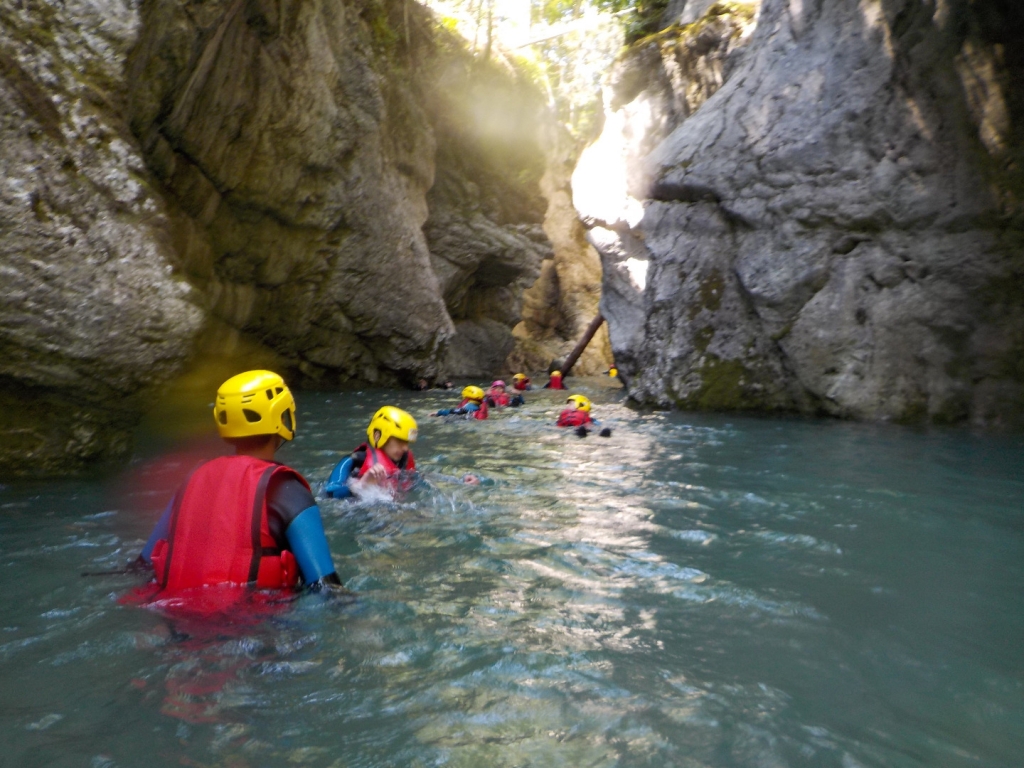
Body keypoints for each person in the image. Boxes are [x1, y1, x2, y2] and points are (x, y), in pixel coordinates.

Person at [135, 370, 345, 600]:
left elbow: (143, 564)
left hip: (175, 619)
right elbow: (326, 589)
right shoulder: (287, 491)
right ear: (280, 418)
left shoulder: (193, 481)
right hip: (255, 626)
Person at [324, 406, 419, 499]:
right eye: (399, 441)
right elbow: (330, 494)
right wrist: (361, 485)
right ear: (377, 436)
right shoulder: (353, 461)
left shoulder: (404, 462)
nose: (405, 448)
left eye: (406, 442)